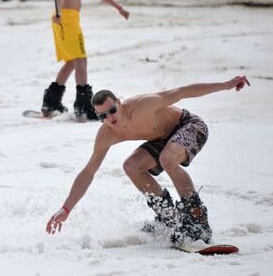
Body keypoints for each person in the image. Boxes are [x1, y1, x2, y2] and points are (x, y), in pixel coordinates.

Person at [46, 76, 250, 244]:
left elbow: (183, 91)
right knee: (131, 166)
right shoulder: (106, 135)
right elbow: (89, 171)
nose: (110, 118)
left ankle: (197, 219)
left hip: (190, 126)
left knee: (167, 158)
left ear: (119, 102)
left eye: (112, 110)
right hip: (162, 140)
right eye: (103, 116)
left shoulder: (144, 104)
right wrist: (66, 208)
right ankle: (169, 217)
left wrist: (225, 85)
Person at [41, 0, 129, 120]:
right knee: (81, 59)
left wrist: (117, 6)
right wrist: (57, 12)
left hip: (73, 17)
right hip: (64, 16)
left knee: (73, 61)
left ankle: (51, 102)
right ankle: (83, 107)